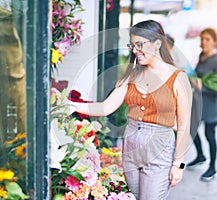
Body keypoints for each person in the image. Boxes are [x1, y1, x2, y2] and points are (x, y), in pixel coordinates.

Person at [68, 20, 192, 199]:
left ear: (157, 43)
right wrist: (71, 105)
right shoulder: (132, 75)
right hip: (130, 149)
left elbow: (183, 126)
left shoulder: (178, 78)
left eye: (140, 45)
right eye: (132, 45)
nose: (135, 50)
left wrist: (178, 164)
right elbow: (105, 107)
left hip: (159, 150)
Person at [186, 28, 217, 181]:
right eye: (202, 39)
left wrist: (202, 86)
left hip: (211, 104)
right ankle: (200, 155)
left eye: (207, 39)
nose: (203, 42)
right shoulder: (202, 56)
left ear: (214, 42)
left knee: (210, 135)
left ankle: (212, 168)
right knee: (191, 128)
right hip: (198, 101)